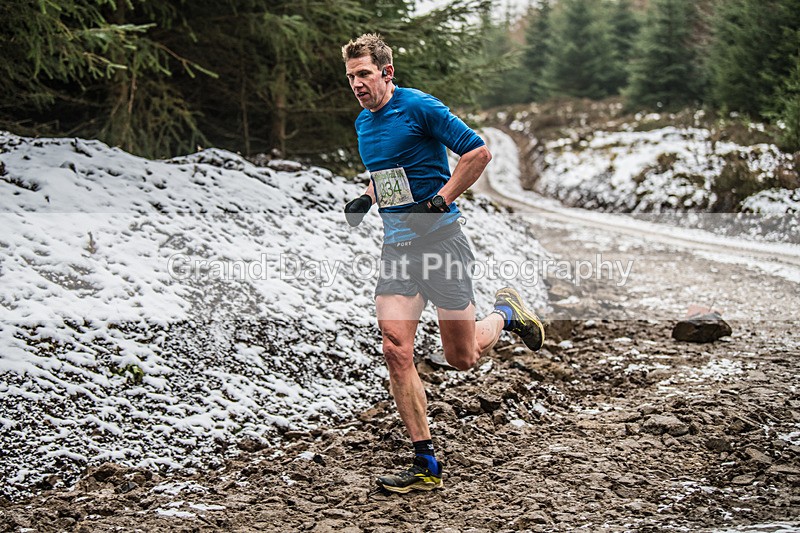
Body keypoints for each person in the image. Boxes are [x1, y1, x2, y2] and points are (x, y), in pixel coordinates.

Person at [341, 33, 545, 494]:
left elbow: (477, 152)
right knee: (396, 347)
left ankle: (507, 313)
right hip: (397, 249)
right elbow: (389, 176)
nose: (357, 83)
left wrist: (443, 198)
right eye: (351, 76)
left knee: (462, 356)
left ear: (386, 73)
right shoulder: (363, 125)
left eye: (364, 74)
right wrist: (366, 197)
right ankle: (424, 461)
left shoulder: (419, 107)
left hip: (441, 243)